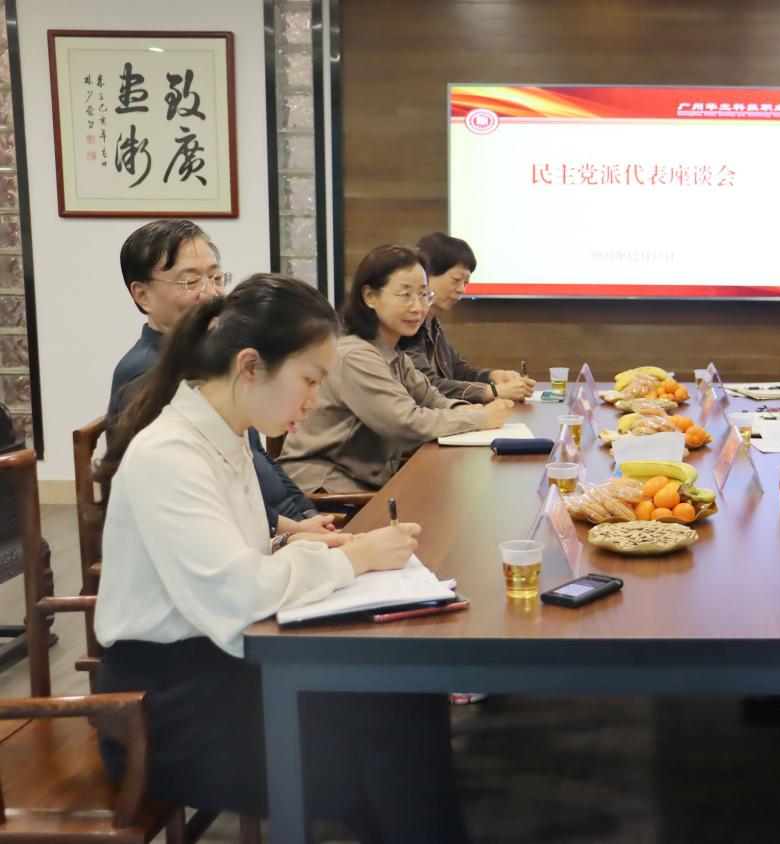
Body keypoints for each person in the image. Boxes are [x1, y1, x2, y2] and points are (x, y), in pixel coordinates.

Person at [93, 274, 469, 841]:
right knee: (388, 732)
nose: (313, 402)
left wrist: (295, 544)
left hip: (218, 664)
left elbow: (230, 560)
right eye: (309, 381)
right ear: (249, 365)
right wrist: (355, 560)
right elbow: (238, 593)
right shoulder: (169, 454)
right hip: (164, 710)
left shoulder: (222, 433)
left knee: (402, 700)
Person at [107, 220, 325, 531]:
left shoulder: (211, 355)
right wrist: (293, 530)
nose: (211, 294)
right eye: (190, 282)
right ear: (142, 295)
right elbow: (195, 493)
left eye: (215, 277)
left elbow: (256, 454)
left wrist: (308, 514)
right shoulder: (145, 373)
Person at [280, 245, 512, 493]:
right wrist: (480, 418)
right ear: (369, 296)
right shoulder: (356, 355)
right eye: (405, 295)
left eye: (423, 295)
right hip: (325, 488)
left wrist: (467, 410)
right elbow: (406, 423)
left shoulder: (391, 351)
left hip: (362, 481)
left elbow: (432, 399)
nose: (418, 307)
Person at [404, 232, 535, 402]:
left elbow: (456, 369)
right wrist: (492, 391)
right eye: (456, 280)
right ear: (425, 275)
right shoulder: (408, 324)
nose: (462, 289)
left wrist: (493, 376)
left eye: (465, 283)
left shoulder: (432, 321)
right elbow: (427, 385)